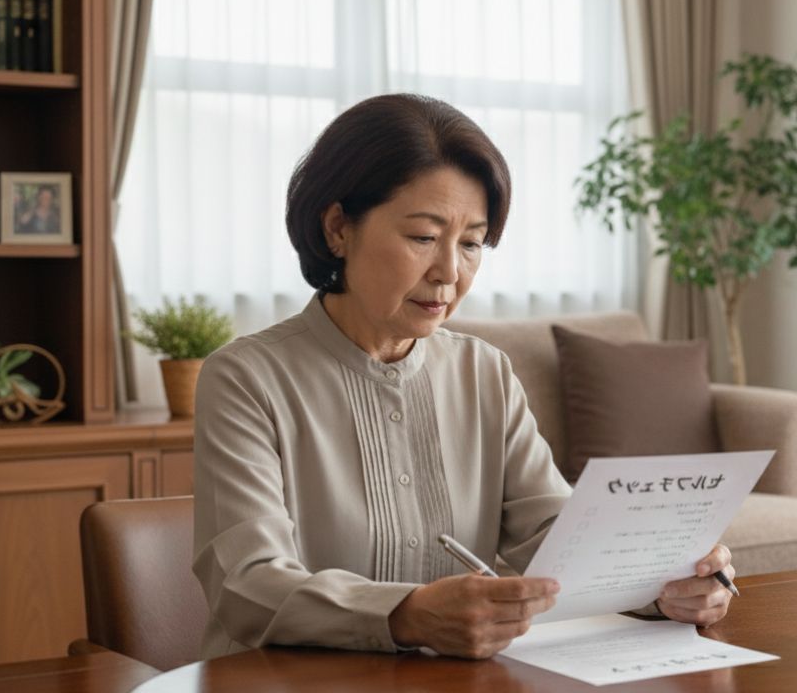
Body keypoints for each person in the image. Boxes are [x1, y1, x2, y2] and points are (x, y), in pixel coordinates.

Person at [193, 93, 735, 661]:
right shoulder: (245, 378)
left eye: (472, 244)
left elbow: (555, 535)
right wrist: (407, 615)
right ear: (337, 229)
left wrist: (667, 583)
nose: (450, 272)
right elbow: (249, 585)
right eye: (423, 238)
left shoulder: (485, 371)